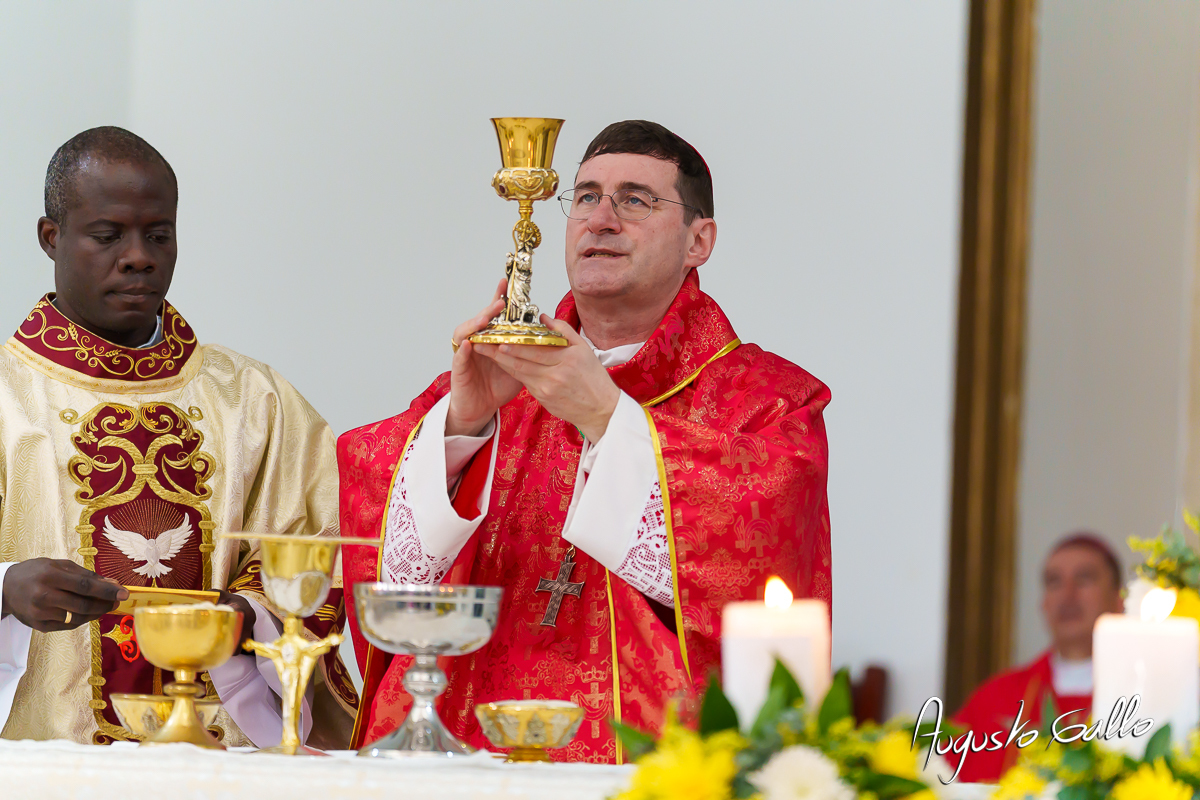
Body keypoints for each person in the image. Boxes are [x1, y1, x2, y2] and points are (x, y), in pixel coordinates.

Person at [339, 120, 832, 763]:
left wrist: (607, 419)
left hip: (650, 763)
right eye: (586, 197)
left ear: (699, 240)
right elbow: (383, 549)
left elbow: (762, 549)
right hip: (464, 749)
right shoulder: (502, 377)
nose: (601, 219)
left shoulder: (769, 399)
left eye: (635, 199)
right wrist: (463, 427)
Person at [0, 127, 358, 747]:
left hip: (225, 758)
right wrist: (5, 587)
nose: (139, 256)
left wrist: (249, 613)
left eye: (158, 235)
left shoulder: (253, 398)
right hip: (39, 752)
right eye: (108, 236)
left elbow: (321, 547)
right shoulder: (9, 396)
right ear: (50, 237)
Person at [951, 532, 1125, 782]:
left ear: (1118, 599)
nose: (1067, 595)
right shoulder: (996, 696)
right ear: (1043, 603)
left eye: (1084, 578)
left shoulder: (1144, 695)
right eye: (1054, 582)